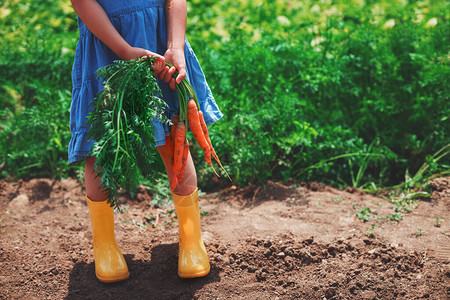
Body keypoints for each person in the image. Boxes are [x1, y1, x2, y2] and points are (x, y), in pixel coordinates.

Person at [69, 0, 223, 282]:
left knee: (172, 135)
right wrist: (125, 51)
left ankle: (191, 240)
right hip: (107, 45)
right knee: (101, 144)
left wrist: (175, 46)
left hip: (158, 42)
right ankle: (104, 245)